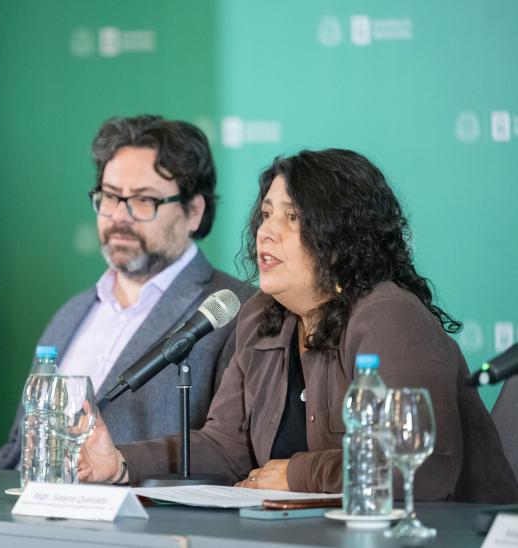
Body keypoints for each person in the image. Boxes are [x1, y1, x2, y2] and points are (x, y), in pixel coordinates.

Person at [78, 148, 518, 503]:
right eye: (266, 215)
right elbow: (226, 448)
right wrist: (119, 462)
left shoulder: (388, 314)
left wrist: (297, 473)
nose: (266, 232)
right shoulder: (259, 318)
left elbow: (422, 468)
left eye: (292, 217)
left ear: (340, 235)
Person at [0, 115, 253, 468]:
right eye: (110, 197)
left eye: (144, 200)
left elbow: (227, 454)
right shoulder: (73, 312)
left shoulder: (235, 311)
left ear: (193, 212)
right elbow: (18, 448)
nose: (119, 216)